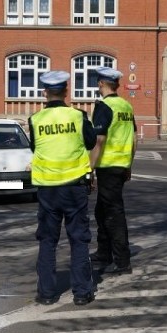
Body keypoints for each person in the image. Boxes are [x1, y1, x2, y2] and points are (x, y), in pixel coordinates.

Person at [28, 70, 97, 306]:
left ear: (44, 92)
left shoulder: (35, 120)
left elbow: (34, 147)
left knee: (48, 241)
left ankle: (46, 294)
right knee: (78, 239)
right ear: (66, 91)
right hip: (74, 186)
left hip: (47, 189)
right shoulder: (79, 116)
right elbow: (90, 142)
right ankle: (81, 293)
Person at [89, 66, 136, 275]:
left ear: (101, 84)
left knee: (114, 214)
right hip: (121, 165)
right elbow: (134, 140)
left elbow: (99, 140)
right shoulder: (126, 106)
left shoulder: (104, 106)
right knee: (102, 210)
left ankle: (122, 261)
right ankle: (104, 252)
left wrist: (89, 169)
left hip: (107, 166)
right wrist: (128, 166)